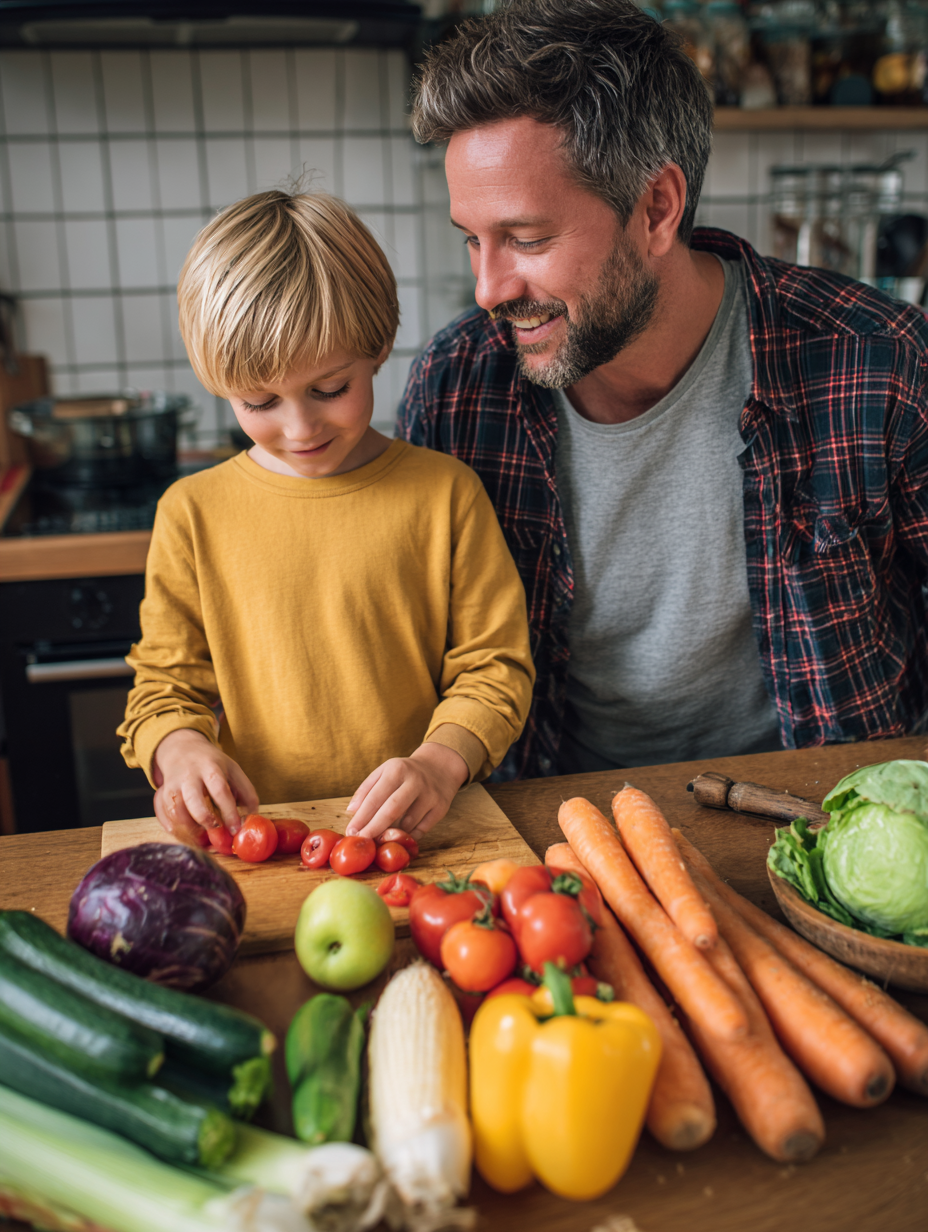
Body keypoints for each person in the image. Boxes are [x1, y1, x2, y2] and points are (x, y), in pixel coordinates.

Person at [399, 0, 928, 780]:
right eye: (472, 240)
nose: (487, 288)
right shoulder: (457, 387)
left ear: (657, 208)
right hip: (559, 838)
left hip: (826, 830)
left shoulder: (877, 363)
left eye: (527, 238)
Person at [118, 189, 534, 844]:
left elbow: (495, 667)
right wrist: (179, 752)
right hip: (263, 844)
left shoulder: (446, 496)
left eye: (330, 389)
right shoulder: (192, 514)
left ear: (377, 345)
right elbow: (165, 687)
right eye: (258, 401)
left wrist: (438, 763)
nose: (299, 426)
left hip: (420, 839)